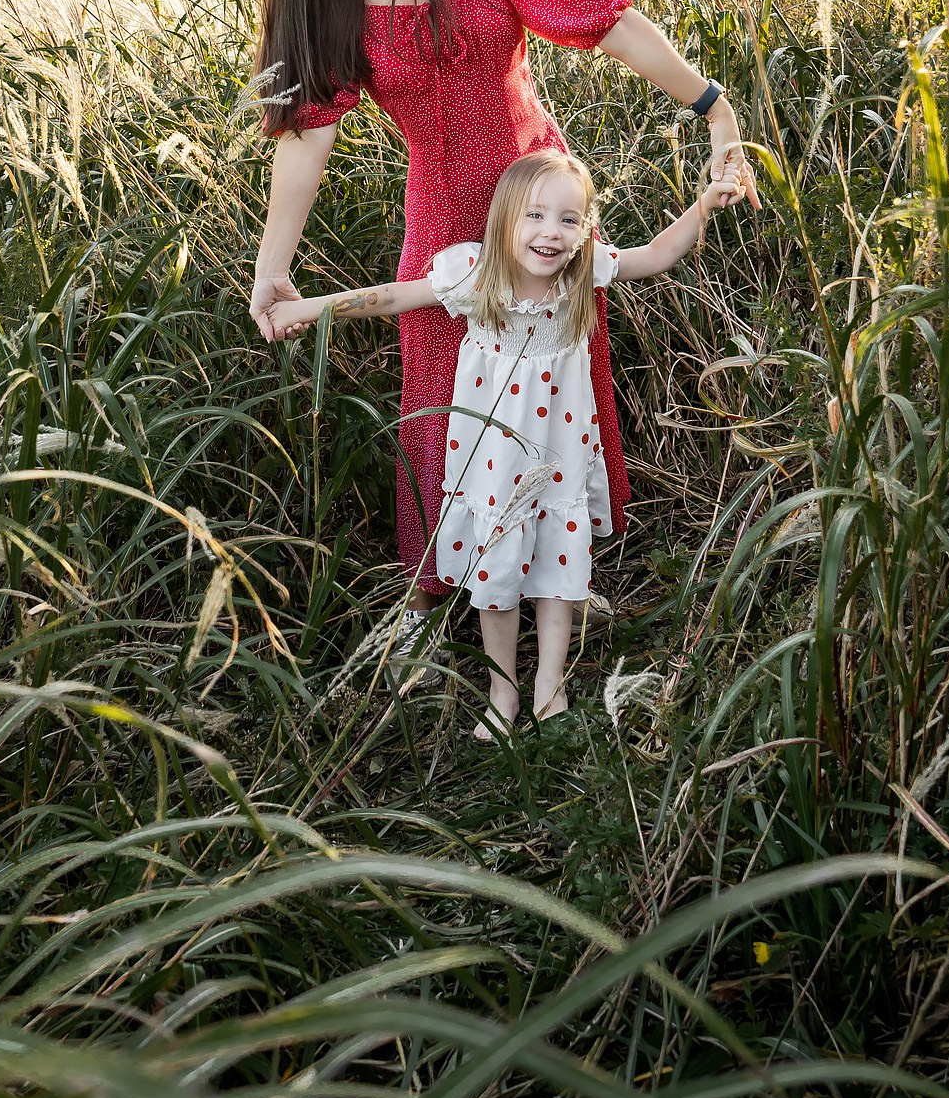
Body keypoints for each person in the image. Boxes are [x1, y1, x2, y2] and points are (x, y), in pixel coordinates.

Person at [250, 0, 756, 659]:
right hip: (442, 219)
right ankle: (432, 592)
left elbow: (606, 22)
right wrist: (271, 267)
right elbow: (305, 142)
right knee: (446, 406)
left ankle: (559, 564)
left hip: (544, 205)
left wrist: (712, 105)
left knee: (556, 392)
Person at [275, 149, 746, 735]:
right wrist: (310, 308)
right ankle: (504, 689)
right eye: (535, 216)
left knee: (559, 560)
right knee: (495, 567)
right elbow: (393, 297)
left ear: (584, 228)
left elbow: (656, 254)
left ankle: (551, 682)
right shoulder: (475, 274)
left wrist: (705, 205)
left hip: (560, 451)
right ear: (504, 220)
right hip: (492, 458)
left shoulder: (584, 272)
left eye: (569, 220)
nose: (552, 233)